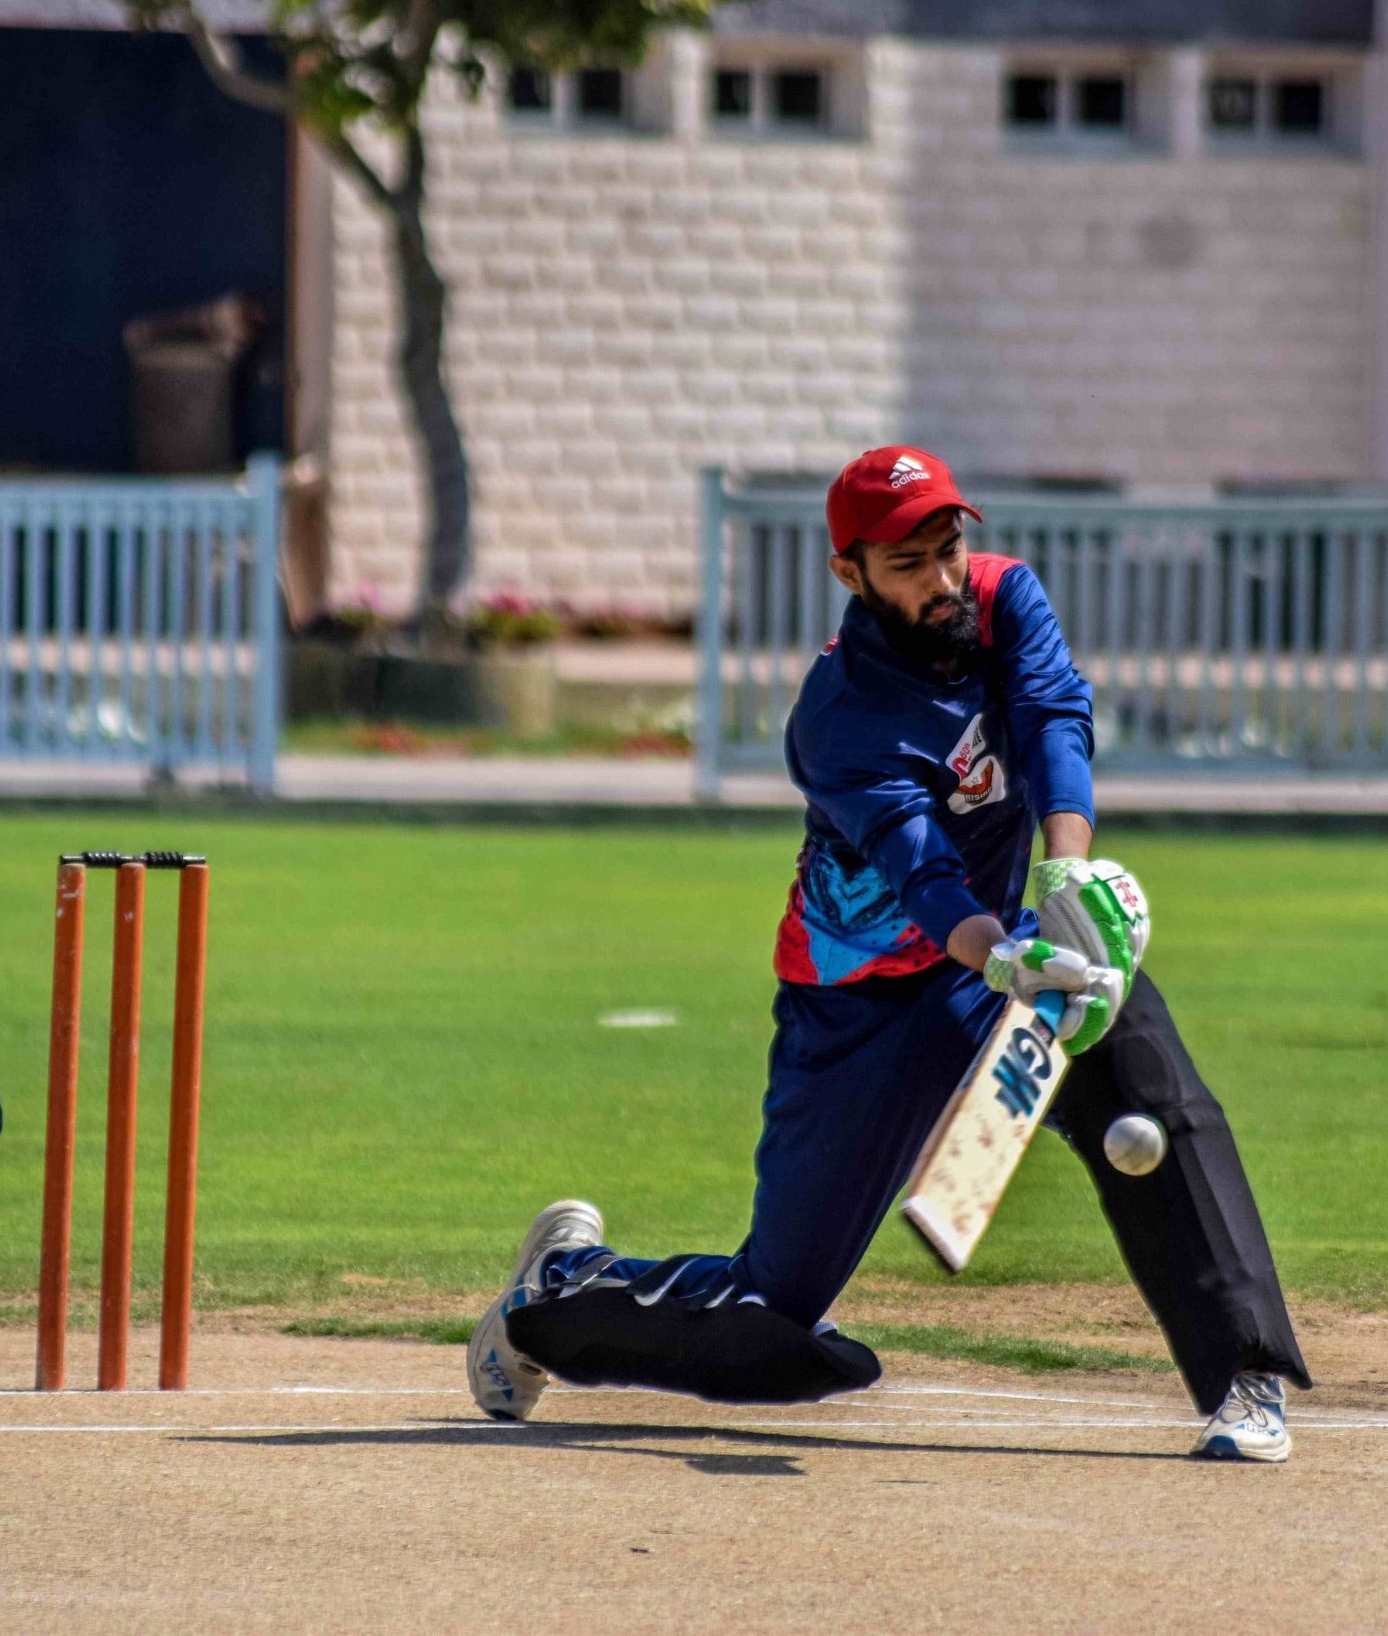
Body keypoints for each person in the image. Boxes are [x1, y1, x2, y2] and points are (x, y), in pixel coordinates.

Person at [465, 446, 1311, 1462]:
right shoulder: (839, 717)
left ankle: (1243, 1374)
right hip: (862, 1005)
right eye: (907, 564)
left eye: (948, 548)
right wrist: (1002, 958)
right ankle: (555, 1295)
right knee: (772, 1320)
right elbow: (923, 873)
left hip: (1016, 949)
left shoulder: (1004, 599)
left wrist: (1065, 883)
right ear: (849, 572)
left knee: (1144, 1075)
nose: (941, 578)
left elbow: (1052, 718)